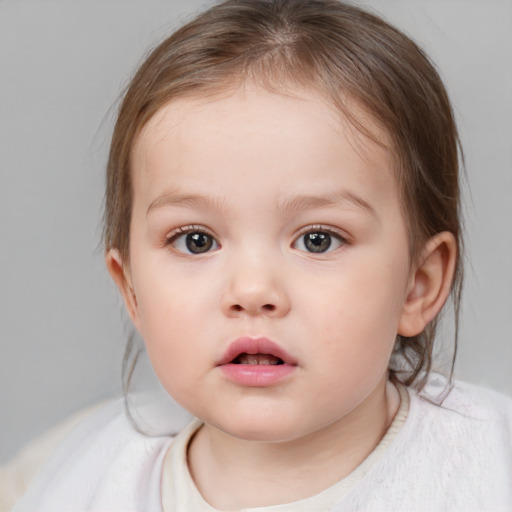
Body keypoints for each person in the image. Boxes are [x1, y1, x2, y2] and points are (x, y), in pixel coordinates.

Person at [10, 0, 512, 510]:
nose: (252, 291)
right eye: (196, 240)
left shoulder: (489, 470)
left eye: (318, 239)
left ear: (418, 284)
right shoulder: (82, 480)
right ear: (132, 289)